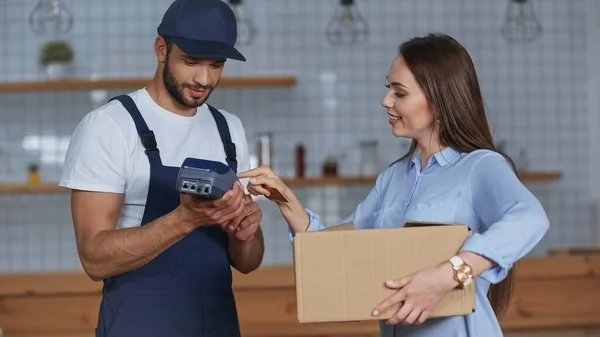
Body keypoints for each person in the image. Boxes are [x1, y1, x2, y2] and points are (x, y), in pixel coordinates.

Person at [238, 33, 550, 337]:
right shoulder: (394, 178)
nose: (385, 100)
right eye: (389, 89)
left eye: (399, 93)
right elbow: (336, 253)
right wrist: (285, 200)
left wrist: (449, 274)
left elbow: (530, 218)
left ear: (440, 101)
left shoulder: (480, 167)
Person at [59, 0, 264, 336]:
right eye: (191, 61)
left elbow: (248, 262)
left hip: (216, 325)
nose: (204, 79)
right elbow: (94, 258)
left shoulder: (230, 129)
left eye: (216, 65)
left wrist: (245, 236)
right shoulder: (110, 126)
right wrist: (184, 220)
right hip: (138, 325)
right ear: (161, 48)